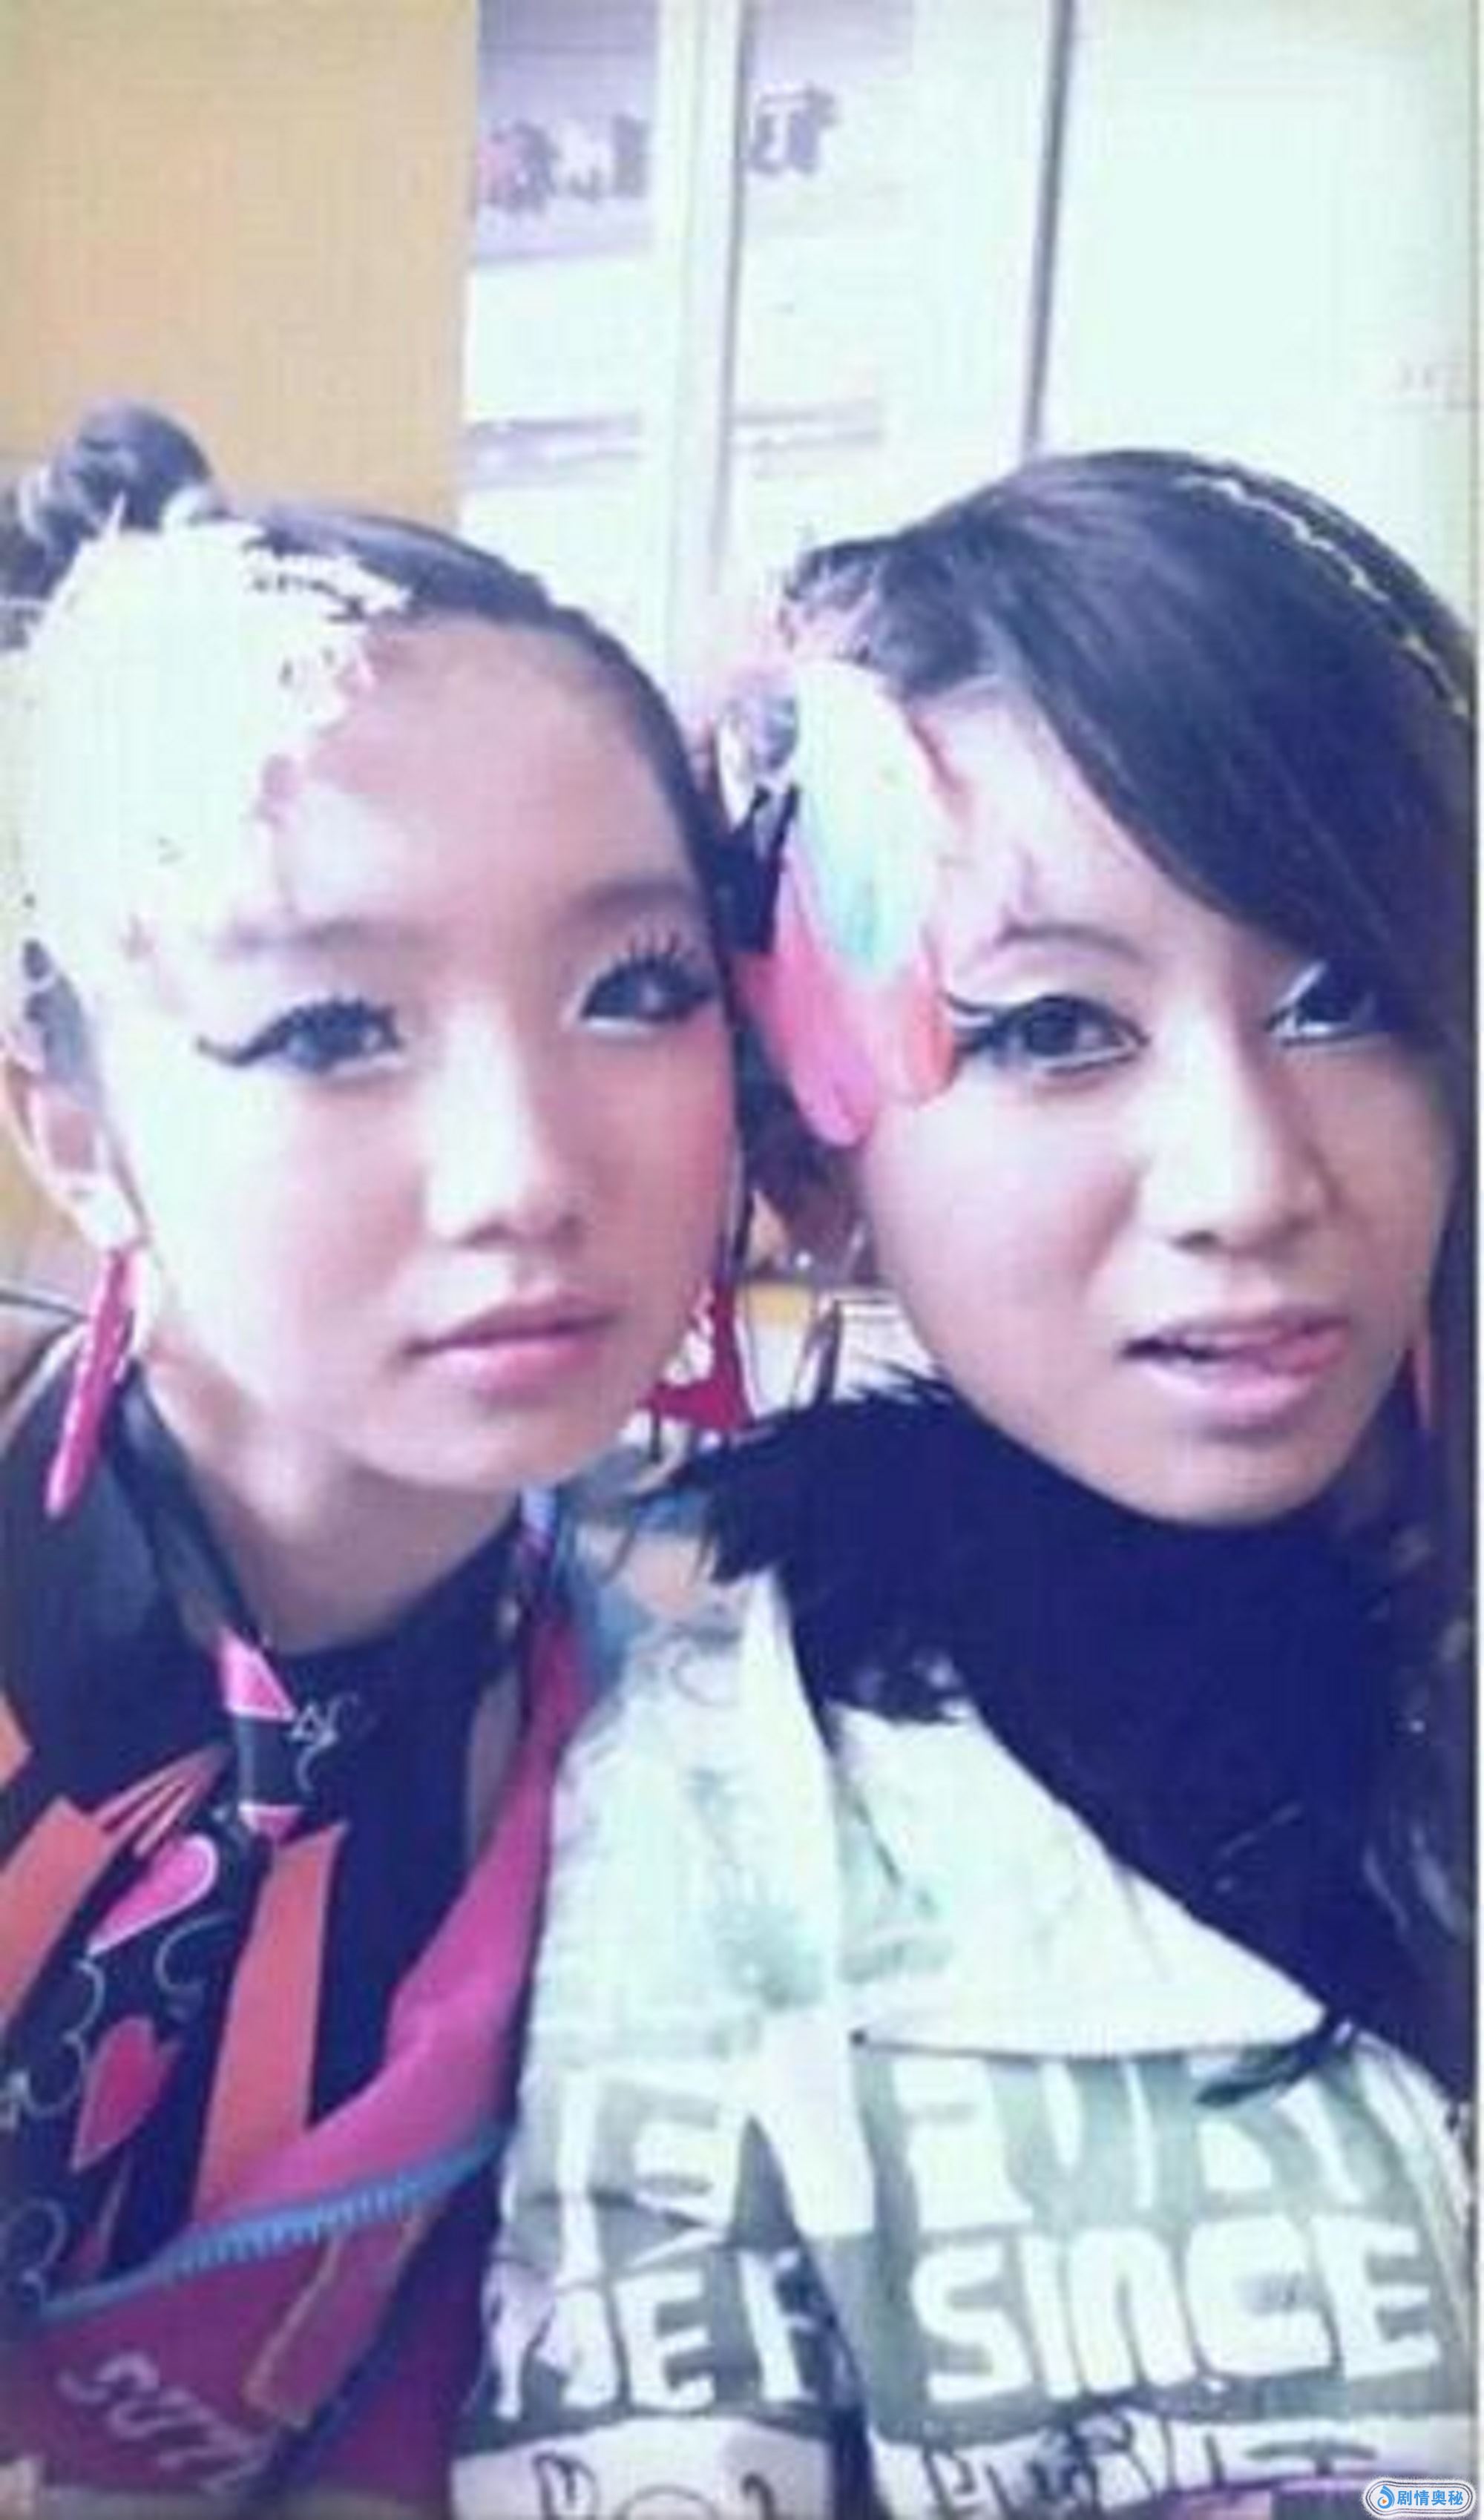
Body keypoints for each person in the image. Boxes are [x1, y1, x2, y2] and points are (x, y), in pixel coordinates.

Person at [456, 450, 1475, 2519]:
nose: (1247, 1180)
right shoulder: (735, 1819)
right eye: (1054, 1030)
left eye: (1342, 1001)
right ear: (813, 1157)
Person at [0, 401, 739, 2514]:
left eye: (635, 988)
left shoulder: (692, 1715)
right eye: (331, 1028)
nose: (524, 1173)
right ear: (76, 1131)